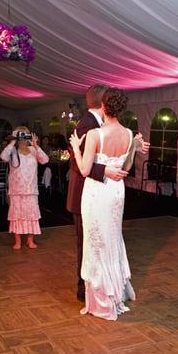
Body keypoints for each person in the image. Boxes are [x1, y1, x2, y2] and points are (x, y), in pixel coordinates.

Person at [69, 87, 139, 320]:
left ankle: (101, 298)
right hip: (116, 193)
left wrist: (76, 147)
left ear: (104, 106)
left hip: (97, 194)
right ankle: (115, 292)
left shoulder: (95, 135)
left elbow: (85, 169)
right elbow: (126, 168)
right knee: (112, 239)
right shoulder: (129, 134)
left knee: (96, 242)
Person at [0, 126, 49, 249]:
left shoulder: (33, 150)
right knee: (17, 214)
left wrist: (36, 145)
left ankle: (30, 240)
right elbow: (3, 157)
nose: (23, 138)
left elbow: (45, 160)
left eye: (25, 135)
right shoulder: (12, 151)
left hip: (31, 189)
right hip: (17, 189)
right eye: (21, 135)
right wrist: (12, 142)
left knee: (31, 214)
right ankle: (17, 241)